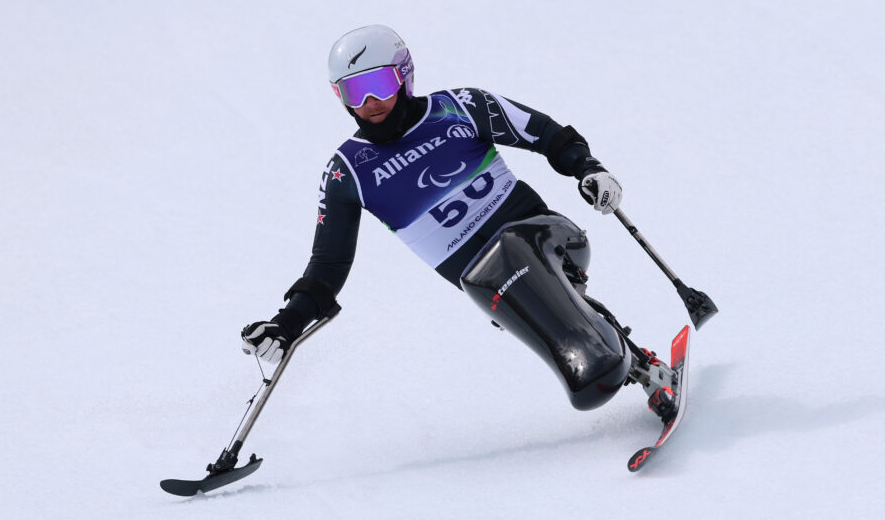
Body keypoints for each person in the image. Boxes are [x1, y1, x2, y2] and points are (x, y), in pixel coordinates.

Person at [241, 24, 674, 418]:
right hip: (494, 287)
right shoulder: (348, 171)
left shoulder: (460, 107)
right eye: (354, 92)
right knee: (513, 285)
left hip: (549, 238)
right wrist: (287, 323)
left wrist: (588, 168)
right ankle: (645, 371)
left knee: (518, 260)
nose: (369, 102)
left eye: (377, 84)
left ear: (404, 75)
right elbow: (329, 264)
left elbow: (544, 133)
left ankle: (627, 365)